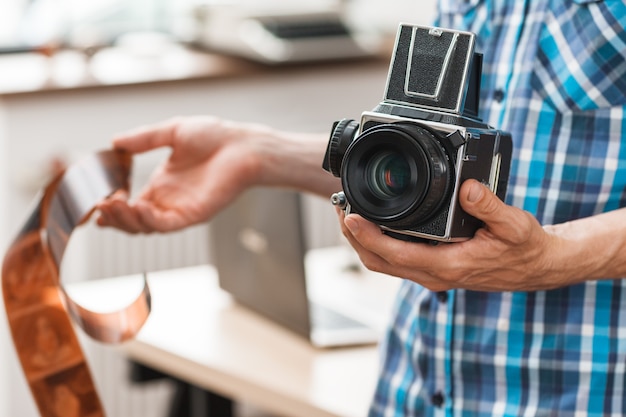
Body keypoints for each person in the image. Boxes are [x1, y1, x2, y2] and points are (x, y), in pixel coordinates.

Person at [98, 1, 626, 415]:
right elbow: (427, 163)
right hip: (413, 390)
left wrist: (555, 256)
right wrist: (258, 154)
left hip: (575, 389)